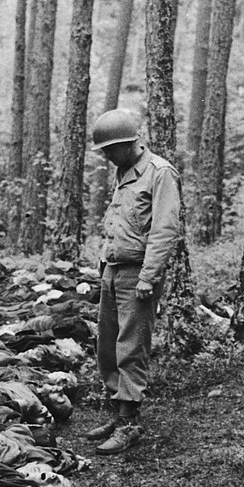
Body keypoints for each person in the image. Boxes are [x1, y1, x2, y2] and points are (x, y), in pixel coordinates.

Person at [85, 108, 183, 456]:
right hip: (114, 270)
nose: (108, 156)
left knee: (131, 346)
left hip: (138, 274)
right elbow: (119, 222)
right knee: (107, 344)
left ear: (130, 143)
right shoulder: (124, 171)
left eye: (111, 149)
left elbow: (165, 230)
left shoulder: (160, 174)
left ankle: (130, 421)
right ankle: (117, 410)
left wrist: (148, 277)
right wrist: (103, 265)